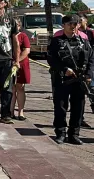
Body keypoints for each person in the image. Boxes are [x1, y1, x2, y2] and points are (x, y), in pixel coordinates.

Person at [48, 14, 94, 145]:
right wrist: (64, 69)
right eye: (70, 24)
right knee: (61, 107)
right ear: (64, 26)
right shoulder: (56, 41)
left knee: (78, 108)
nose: (73, 27)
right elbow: (51, 59)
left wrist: (89, 74)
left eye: (75, 24)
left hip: (79, 80)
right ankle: (60, 133)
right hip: (62, 79)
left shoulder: (83, 41)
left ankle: (74, 134)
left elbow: (91, 58)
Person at [11, 19, 31, 121]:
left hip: (21, 64)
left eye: (17, 25)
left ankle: (20, 112)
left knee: (20, 87)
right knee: (11, 88)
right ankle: (10, 111)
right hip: (9, 64)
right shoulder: (8, 36)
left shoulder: (23, 36)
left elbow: (27, 50)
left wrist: (17, 61)